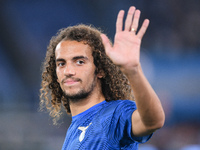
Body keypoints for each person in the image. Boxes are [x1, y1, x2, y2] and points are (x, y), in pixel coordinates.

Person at [40, 6, 165, 150]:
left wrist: (133, 71)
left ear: (100, 70)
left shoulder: (115, 115)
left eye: (79, 62)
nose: (68, 71)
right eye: (61, 64)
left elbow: (152, 122)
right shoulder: (72, 131)